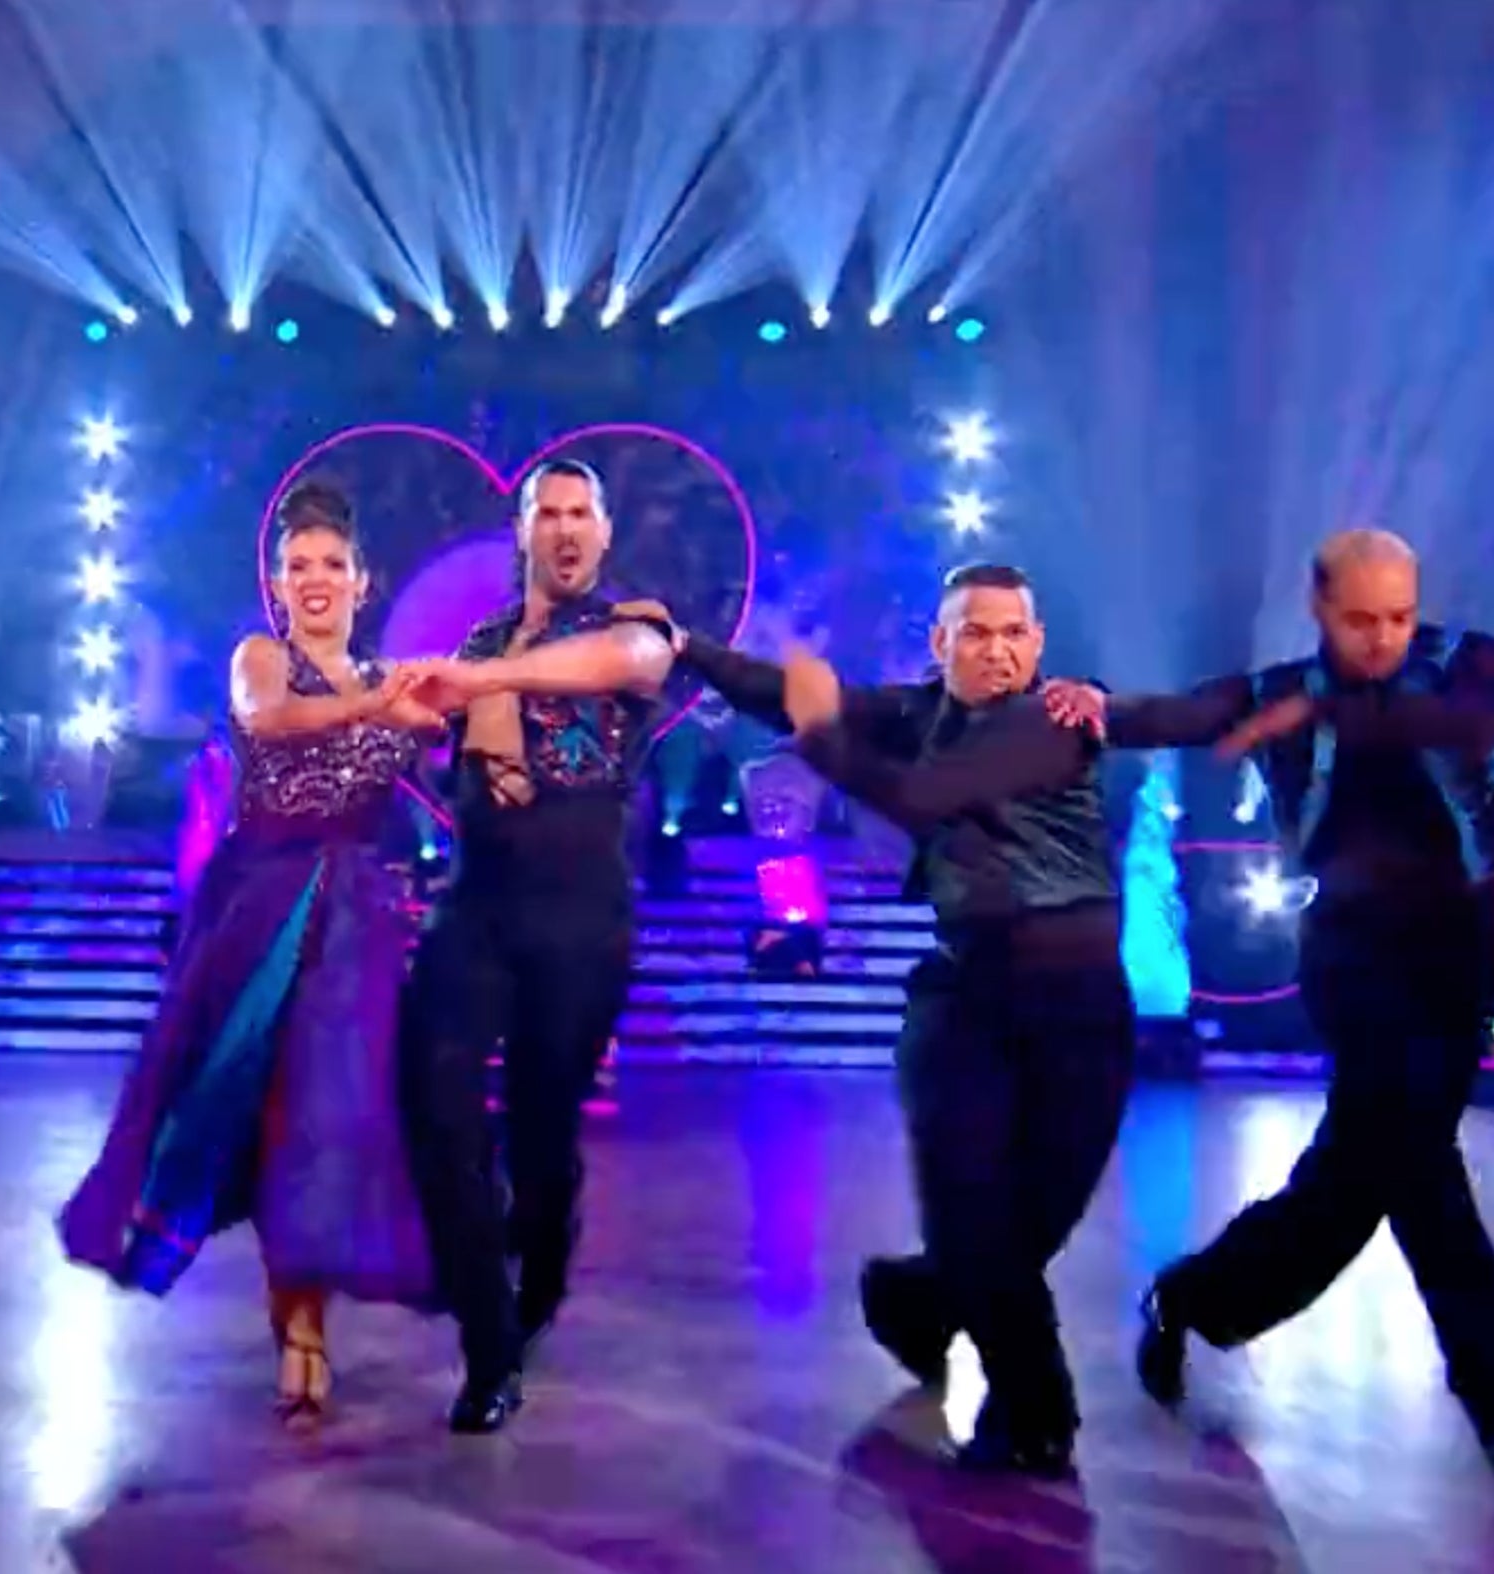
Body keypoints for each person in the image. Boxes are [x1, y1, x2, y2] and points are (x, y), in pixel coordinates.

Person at [1044, 527, 1494, 1491]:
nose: (1383, 637)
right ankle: (1493, 1395)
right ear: (1321, 610)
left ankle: (1194, 1297)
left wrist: (1322, 715)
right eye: (1361, 618)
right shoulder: (1277, 687)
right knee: (1413, 1157)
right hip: (1354, 952)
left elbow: (1468, 728)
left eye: (1399, 617)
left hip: (1462, 947)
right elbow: (1192, 710)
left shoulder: (1468, 663)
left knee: (1368, 1165)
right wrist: (1106, 712)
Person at [675, 563, 1132, 1476]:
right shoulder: (917, 714)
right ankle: (1036, 1410)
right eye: (975, 632)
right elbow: (798, 694)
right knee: (972, 1207)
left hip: (1081, 1010)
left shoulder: (1061, 721)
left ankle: (913, 1300)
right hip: (965, 997)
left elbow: (917, 793)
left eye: (1013, 633)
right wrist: (693, 649)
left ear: (1038, 645)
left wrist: (819, 734)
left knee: (1030, 1220)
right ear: (941, 643)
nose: (996, 650)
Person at [59, 478, 444, 1424]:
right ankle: (293, 1323)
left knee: (332, 1116)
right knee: (253, 1105)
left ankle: (307, 1322)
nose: (314, 581)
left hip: (356, 926)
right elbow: (269, 721)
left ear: (365, 581)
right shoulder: (262, 659)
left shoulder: (395, 686)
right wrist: (380, 705)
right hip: (261, 910)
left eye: (332, 567)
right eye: (297, 567)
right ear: (278, 584)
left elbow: (463, 748)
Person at [396, 458, 676, 1433]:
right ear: (521, 531)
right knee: (434, 1106)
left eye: (579, 513)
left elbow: (627, 668)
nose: (562, 528)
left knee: (542, 1133)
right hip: (474, 904)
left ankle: (540, 1270)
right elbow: (430, 743)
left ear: (601, 533)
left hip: (580, 910)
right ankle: (488, 1345)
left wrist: (482, 680)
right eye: (545, 512)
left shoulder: (632, 625)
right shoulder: (475, 639)